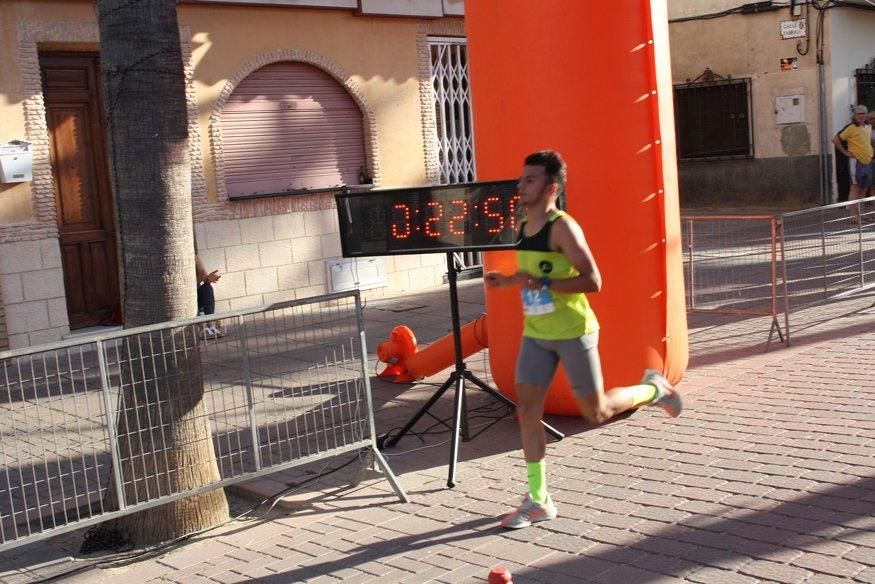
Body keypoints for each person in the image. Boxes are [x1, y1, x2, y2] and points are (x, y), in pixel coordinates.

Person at [485, 150, 682, 530]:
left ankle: (652, 390)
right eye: (521, 178)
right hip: (537, 335)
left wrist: (540, 283)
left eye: (529, 180)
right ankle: (539, 500)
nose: (520, 185)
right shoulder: (524, 225)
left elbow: (593, 281)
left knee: (597, 413)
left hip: (574, 332)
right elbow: (532, 275)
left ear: (551, 187)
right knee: (527, 412)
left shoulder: (563, 228)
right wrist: (509, 281)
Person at [832, 105, 873, 223]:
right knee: (855, 188)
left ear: (866, 115)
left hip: (867, 161)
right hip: (856, 162)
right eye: (858, 114)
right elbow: (835, 139)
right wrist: (845, 152)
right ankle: (853, 217)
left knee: (863, 189)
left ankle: (862, 214)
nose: (861, 116)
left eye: (863, 113)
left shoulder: (868, 126)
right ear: (854, 116)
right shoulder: (850, 128)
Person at [196, 254, 224, 339]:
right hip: (187, 295)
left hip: (196, 290)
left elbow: (204, 276)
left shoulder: (195, 257)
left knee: (207, 288)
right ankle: (201, 328)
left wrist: (209, 278)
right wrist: (199, 280)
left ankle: (211, 326)